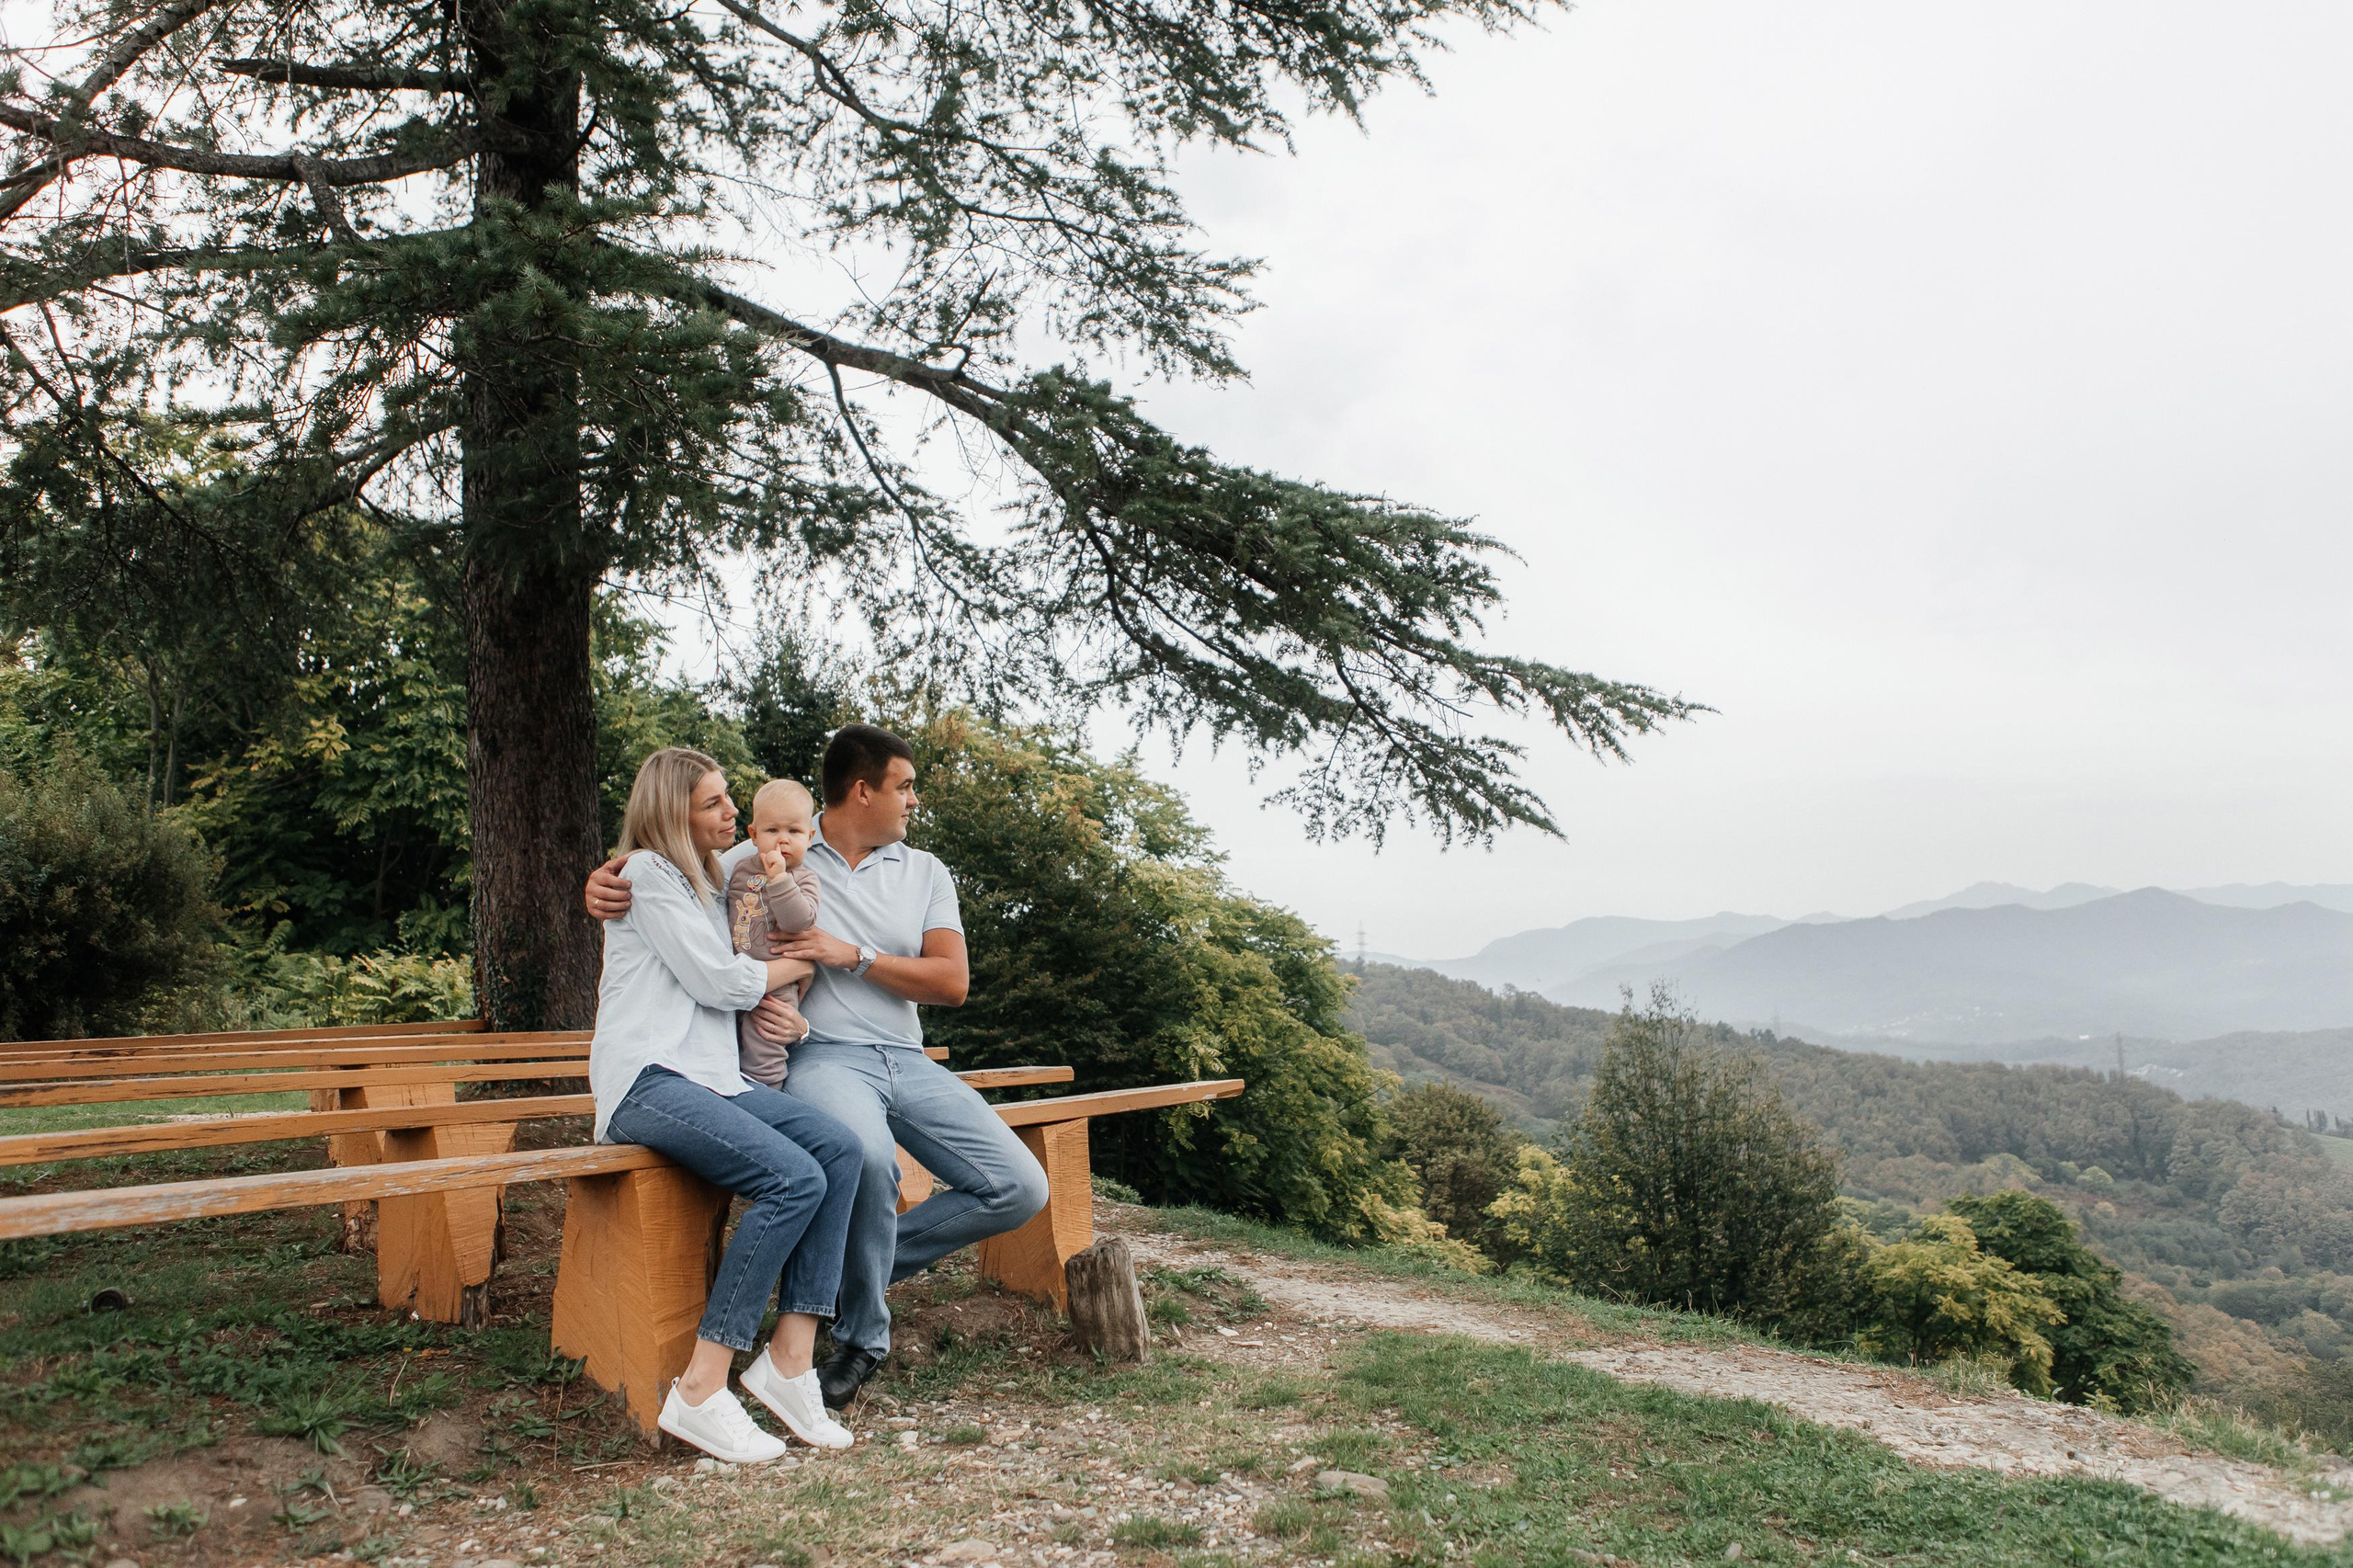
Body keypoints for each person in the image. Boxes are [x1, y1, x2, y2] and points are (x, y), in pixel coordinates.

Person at [586, 723, 1047, 1412]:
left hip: (906, 1055)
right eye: (906, 787)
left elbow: (951, 983)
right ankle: (862, 1336)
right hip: (820, 1053)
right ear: (863, 791)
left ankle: (825, 1279)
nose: (914, 801)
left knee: (1019, 1187)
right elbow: (673, 866)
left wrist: (850, 953)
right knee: (862, 1159)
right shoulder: (774, 844)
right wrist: (601, 881)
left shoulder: (924, 871)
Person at [591, 746, 865, 1462]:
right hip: (648, 1080)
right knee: (793, 1177)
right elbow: (718, 980)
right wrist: (806, 961)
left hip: (716, 1079)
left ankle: (789, 1362)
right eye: (715, 803)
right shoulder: (649, 874)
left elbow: (780, 843)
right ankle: (702, 1388)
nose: (733, 814)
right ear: (672, 810)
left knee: (840, 1149)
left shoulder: (710, 879)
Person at [727, 778, 823, 1087]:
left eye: (793, 832)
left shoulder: (803, 879)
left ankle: (770, 1094)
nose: (782, 841)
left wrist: (780, 879)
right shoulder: (739, 870)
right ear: (753, 835)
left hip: (776, 985)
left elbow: (800, 921)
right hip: (733, 974)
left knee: (765, 1046)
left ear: (809, 837)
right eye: (772, 831)